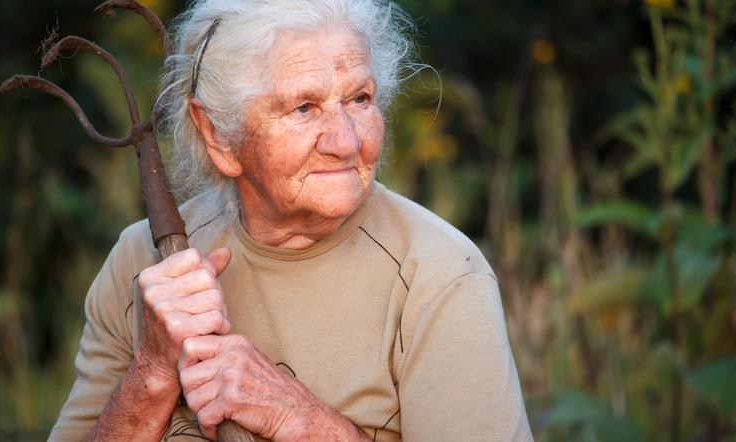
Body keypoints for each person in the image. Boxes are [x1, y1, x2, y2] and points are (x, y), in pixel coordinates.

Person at [49, 0, 532, 440]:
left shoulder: (439, 276)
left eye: (360, 99)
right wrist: (151, 373)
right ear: (217, 134)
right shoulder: (142, 266)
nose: (345, 141)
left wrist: (297, 419)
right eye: (305, 108)